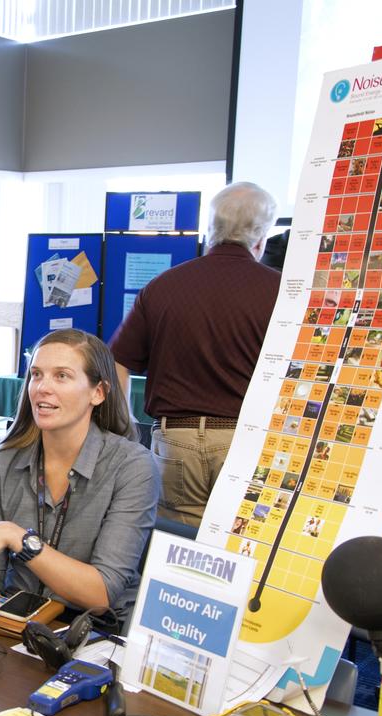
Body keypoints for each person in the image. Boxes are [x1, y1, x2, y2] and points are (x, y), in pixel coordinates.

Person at [0, 329, 159, 624]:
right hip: (14, 623)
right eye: (36, 375)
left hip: (95, 633)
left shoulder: (133, 466)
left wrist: (15, 536)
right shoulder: (0, 463)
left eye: (61, 376)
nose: (42, 388)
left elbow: (101, 594)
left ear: (97, 393)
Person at [111, 181, 280, 527]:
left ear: (209, 231)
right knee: (241, 540)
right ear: (261, 238)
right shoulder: (281, 292)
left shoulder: (162, 286)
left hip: (175, 440)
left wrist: (125, 428)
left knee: (176, 547)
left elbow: (117, 362)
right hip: (244, 440)